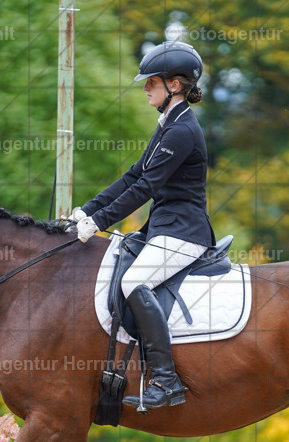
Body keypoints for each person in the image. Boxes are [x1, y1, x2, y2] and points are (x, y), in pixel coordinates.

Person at [69, 41, 214, 411]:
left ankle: (166, 381)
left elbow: (146, 188)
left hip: (184, 231)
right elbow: (133, 176)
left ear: (175, 86)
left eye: (152, 81)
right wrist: (86, 211)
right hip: (164, 227)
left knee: (134, 281)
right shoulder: (169, 124)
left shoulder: (182, 130)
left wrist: (99, 223)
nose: (145, 87)